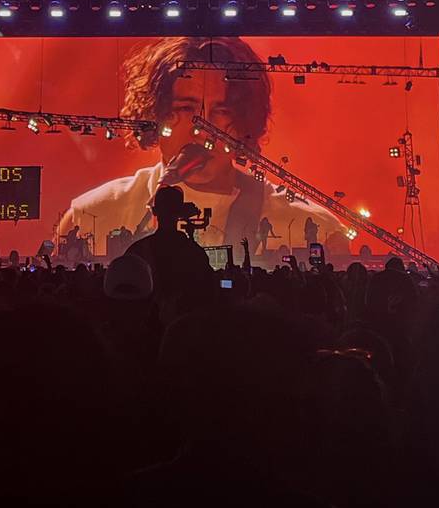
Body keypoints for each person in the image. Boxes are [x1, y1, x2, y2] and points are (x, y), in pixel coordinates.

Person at [56, 36, 344, 253]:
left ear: (245, 121)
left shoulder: (318, 231)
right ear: (155, 114)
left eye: (222, 111)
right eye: (185, 108)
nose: (203, 130)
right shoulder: (92, 214)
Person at [123, 185, 214, 315]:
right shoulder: (193, 252)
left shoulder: (137, 251)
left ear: (155, 212)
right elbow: (208, 293)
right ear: (180, 212)